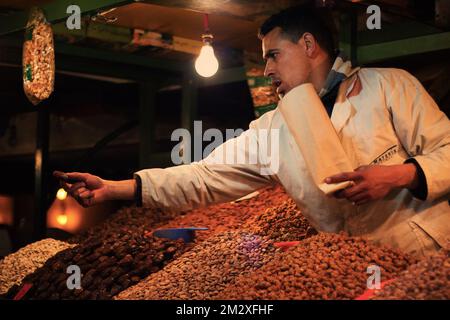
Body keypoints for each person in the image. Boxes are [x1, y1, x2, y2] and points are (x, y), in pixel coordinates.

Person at [54, 5, 450, 258]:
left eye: (274, 55)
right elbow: (204, 177)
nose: (268, 71)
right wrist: (116, 188)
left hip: (425, 256)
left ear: (309, 45)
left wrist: (401, 175)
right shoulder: (274, 128)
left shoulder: (388, 86)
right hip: (351, 265)